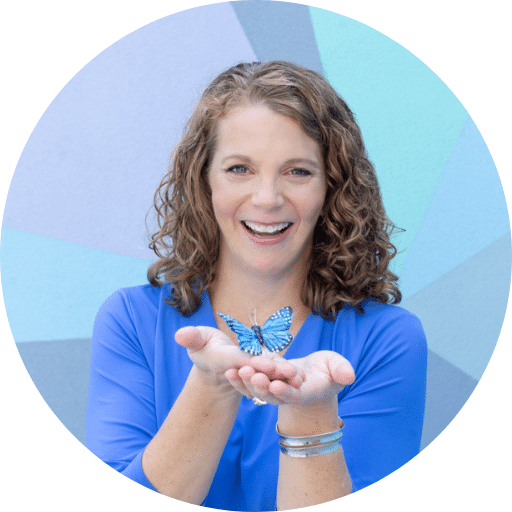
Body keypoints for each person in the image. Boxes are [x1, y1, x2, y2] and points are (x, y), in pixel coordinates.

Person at [86, 61, 427, 511]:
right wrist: (212, 383)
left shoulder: (388, 340)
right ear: (203, 179)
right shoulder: (130, 322)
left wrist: (310, 411)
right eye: (239, 169)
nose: (267, 198)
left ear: (332, 187)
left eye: (298, 172)